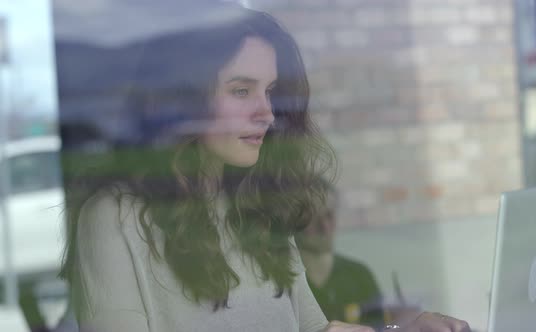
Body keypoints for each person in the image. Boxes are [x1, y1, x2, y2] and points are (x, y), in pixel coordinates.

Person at [58, 3, 471, 332]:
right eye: (241, 91)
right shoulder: (114, 219)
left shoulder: (255, 203)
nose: (268, 113)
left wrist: (399, 329)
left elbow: (311, 328)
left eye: (271, 91)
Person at [296, 178, 385, 328]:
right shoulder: (286, 283)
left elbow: (379, 327)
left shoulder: (359, 276)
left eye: (329, 215)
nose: (324, 226)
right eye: (313, 216)